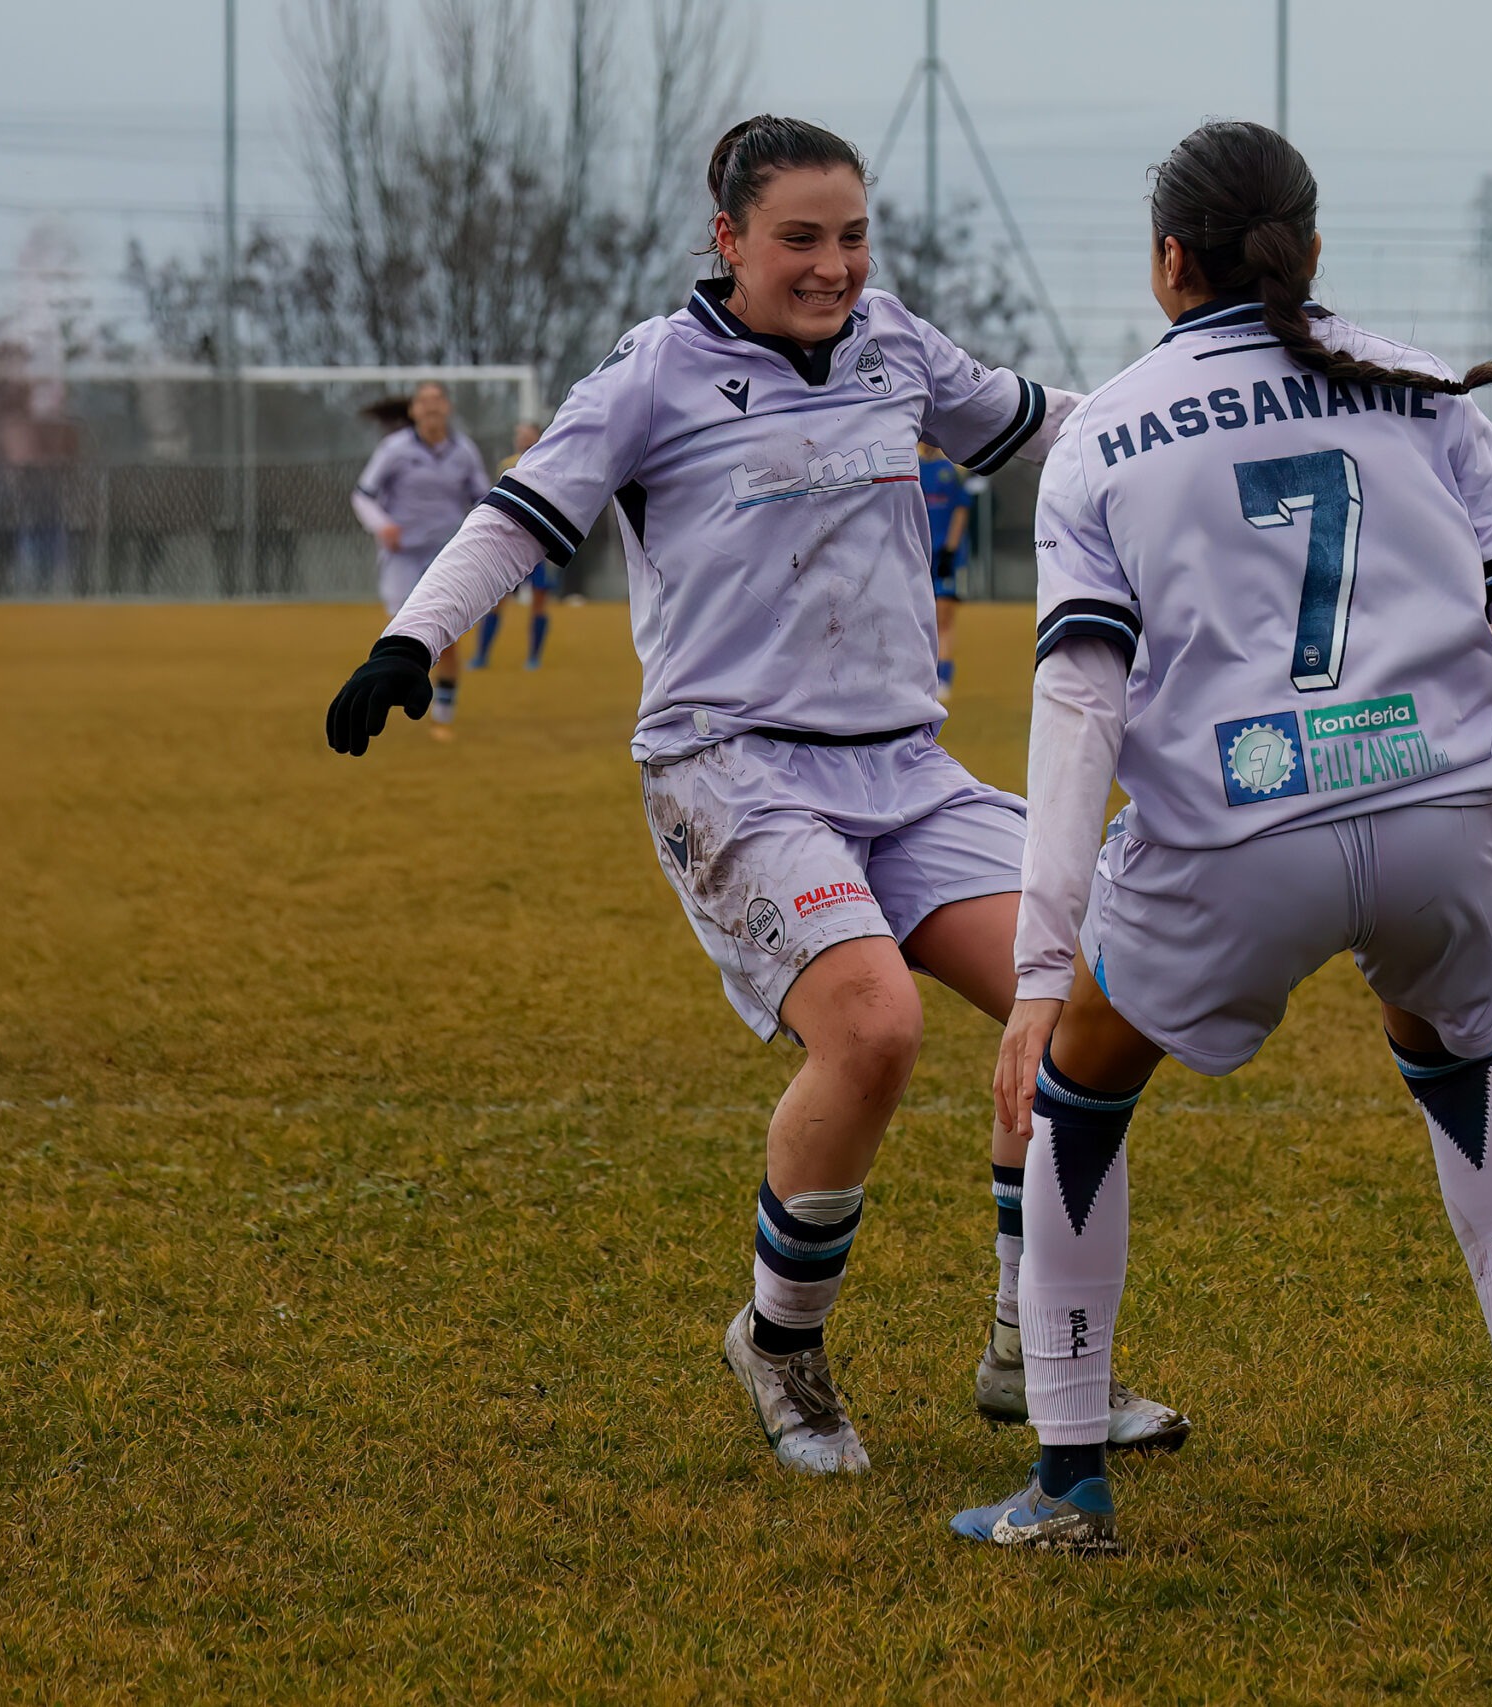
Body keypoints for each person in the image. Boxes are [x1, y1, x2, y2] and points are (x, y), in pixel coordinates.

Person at [323, 114, 1186, 1476]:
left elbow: (1048, 428)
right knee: (874, 1026)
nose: (834, 265)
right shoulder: (654, 373)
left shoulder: (895, 341)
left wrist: (1196, 420)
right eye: (800, 238)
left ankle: (1038, 1348)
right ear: (727, 239)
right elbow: (521, 514)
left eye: (852, 236)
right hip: (733, 766)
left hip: (904, 766)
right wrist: (408, 640)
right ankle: (780, 1342)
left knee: (1087, 1000)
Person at [950, 120, 1492, 1553]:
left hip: (1235, 840)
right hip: (1443, 821)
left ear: (1167, 262)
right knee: (1457, 1059)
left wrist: (1036, 971)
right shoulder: (1427, 393)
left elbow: (1078, 707)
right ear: (1311, 250)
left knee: (1079, 1092)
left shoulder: (1104, 437)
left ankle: (1067, 1484)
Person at [352, 381, 490, 739]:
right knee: (402, 632)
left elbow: (484, 498)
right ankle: (385, 703)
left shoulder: (464, 451)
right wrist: (382, 525)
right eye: (423, 401)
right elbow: (363, 495)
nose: (431, 406)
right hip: (403, 556)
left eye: (437, 399)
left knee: (446, 633)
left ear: (447, 407)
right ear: (413, 410)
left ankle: (443, 714)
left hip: (446, 554)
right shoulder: (394, 449)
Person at [472, 421, 554, 670]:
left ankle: (534, 656)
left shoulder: (549, 462)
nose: (522, 438)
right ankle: (481, 655)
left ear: (538, 437)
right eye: (519, 434)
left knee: (539, 601)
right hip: (509, 545)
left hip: (539, 546)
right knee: (496, 600)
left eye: (527, 434)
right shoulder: (507, 465)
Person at [920, 442, 976, 699]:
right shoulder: (911, 467)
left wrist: (950, 549)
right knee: (919, 619)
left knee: (943, 617)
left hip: (944, 557)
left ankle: (944, 675)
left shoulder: (949, 470)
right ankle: (923, 675)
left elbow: (961, 510)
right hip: (918, 556)